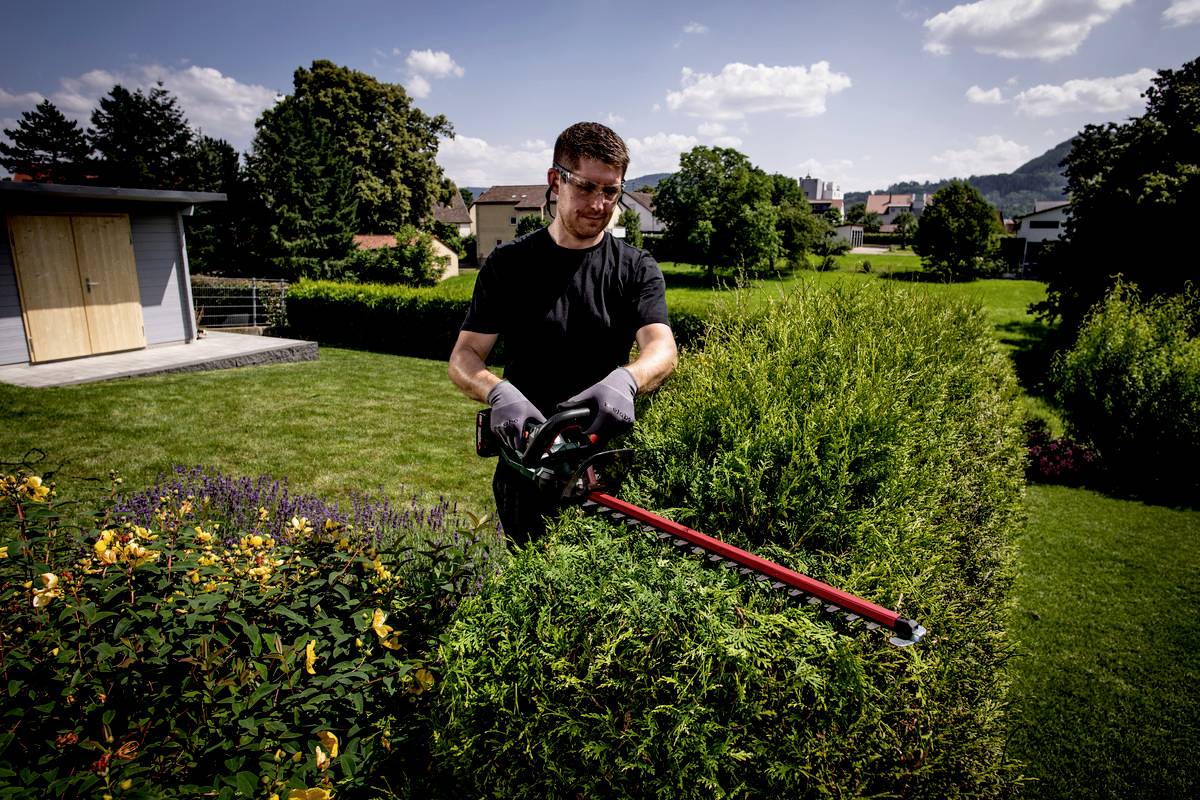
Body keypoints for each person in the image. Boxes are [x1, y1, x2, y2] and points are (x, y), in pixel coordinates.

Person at [448, 121, 677, 544]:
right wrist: (497, 392)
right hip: (526, 470)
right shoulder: (508, 267)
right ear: (556, 181)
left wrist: (628, 379)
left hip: (606, 472)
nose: (599, 204)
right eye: (587, 187)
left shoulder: (635, 268)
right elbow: (465, 357)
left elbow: (661, 348)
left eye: (611, 192)